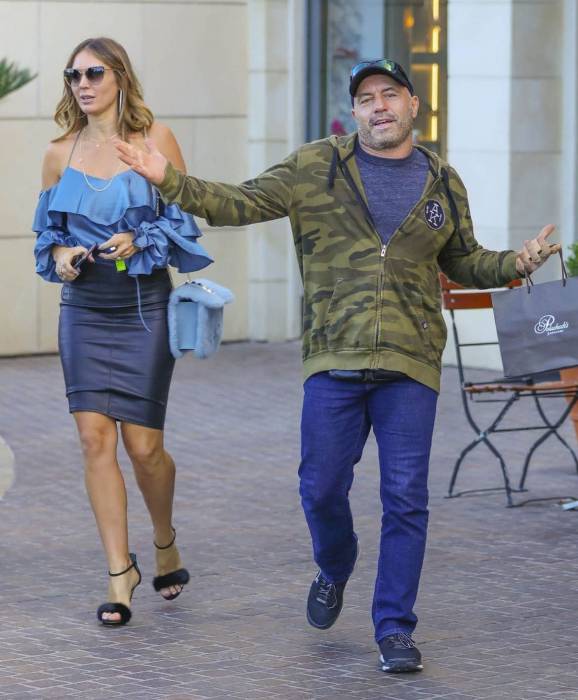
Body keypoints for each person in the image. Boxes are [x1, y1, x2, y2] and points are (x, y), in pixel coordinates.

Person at [116, 59, 559, 669]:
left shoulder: (442, 180)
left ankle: (394, 628)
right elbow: (239, 203)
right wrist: (169, 180)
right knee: (320, 487)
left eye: (390, 94)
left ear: (413, 105)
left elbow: (463, 260)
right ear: (354, 112)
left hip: (411, 360)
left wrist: (516, 263)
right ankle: (335, 562)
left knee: (406, 499)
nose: (379, 106)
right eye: (367, 98)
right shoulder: (315, 166)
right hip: (333, 355)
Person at [32, 37, 213, 626]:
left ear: (119, 77)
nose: (83, 84)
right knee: (94, 440)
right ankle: (119, 572)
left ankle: (164, 539)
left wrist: (140, 239)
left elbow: (183, 224)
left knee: (144, 448)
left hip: (143, 308)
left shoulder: (155, 139)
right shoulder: (58, 153)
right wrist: (61, 254)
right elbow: (46, 237)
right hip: (83, 309)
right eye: (73, 75)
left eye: (94, 73)